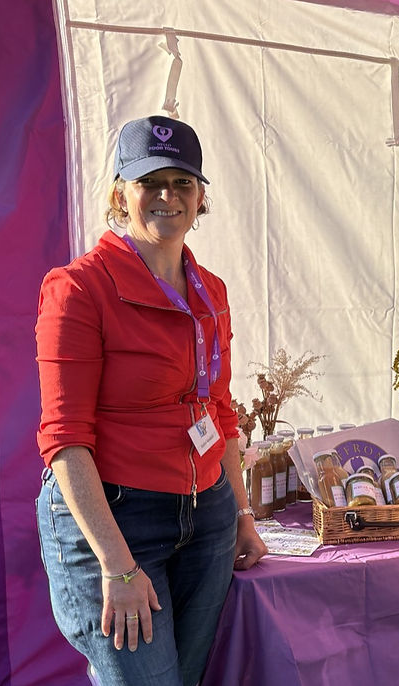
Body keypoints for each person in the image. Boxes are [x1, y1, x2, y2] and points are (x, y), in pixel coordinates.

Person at [35, 115, 267, 686]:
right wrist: (116, 567)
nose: (168, 196)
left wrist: (239, 514)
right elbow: (64, 441)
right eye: (149, 182)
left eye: (182, 182)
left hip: (206, 516)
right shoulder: (78, 288)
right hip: (115, 520)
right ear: (121, 192)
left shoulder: (211, 290)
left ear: (201, 195)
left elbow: (220, 410)